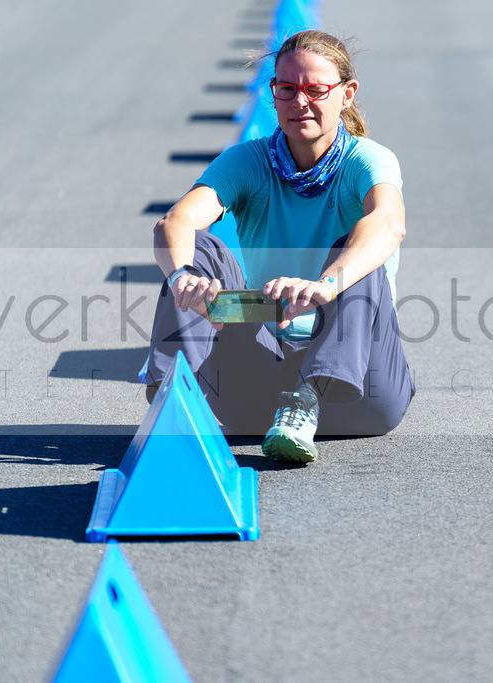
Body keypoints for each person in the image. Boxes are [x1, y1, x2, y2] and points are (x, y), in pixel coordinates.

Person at [147, 29, 414, 464]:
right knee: (198, 251)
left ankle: (307, 399)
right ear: (273, 92)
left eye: (315, 90)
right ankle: (172, 407)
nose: (299, 102)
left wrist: (325, 287)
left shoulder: (369, 159)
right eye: (287, 89)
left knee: (360, 254)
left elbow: (388, 223)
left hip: (360, 393)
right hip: (257, 391)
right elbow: (174, 222)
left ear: (347, 94)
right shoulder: (248, 160)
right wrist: (183, 281)